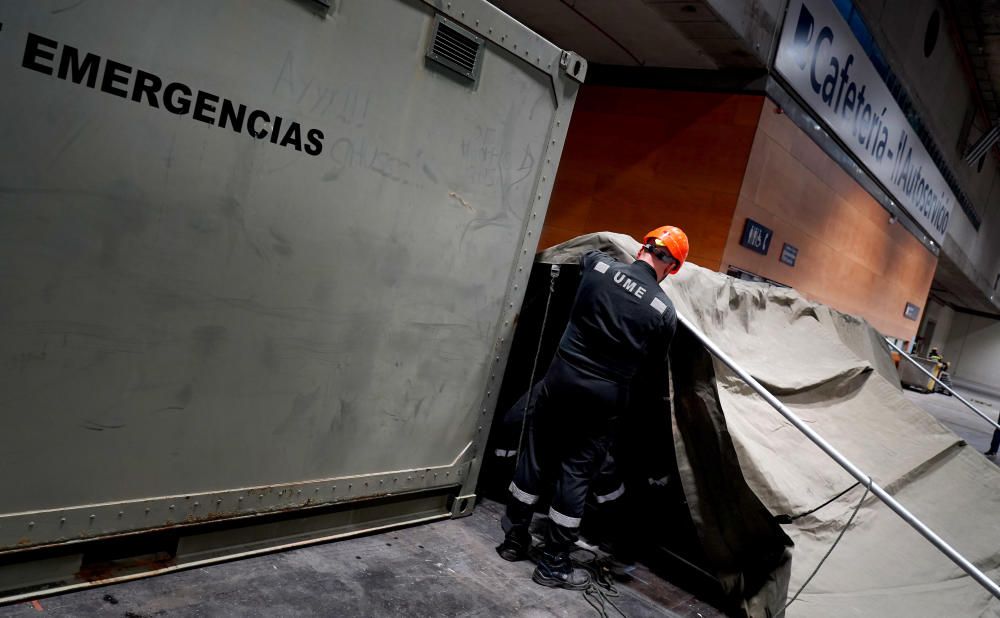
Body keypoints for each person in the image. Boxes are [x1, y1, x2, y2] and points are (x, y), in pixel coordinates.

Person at [496, 226, 688, 590]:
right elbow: (650, 371)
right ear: (673, 268)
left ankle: (513, 541)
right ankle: (553, 564)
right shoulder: (664, 311)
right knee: (576, 474)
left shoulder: (598, 268)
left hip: (559, 382)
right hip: (602, 401)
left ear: (642, 247)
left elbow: (590, 252)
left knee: (533, 460)